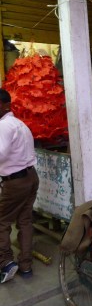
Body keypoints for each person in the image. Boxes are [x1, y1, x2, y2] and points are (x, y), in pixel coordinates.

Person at [0, 88, 39, 283]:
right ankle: (26, 265)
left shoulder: (4, 126)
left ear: (5, 105)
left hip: (16, 182)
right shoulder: (19, 124)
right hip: (31, 177)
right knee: (24, 220)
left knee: (2, 221)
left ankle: (6, 263)